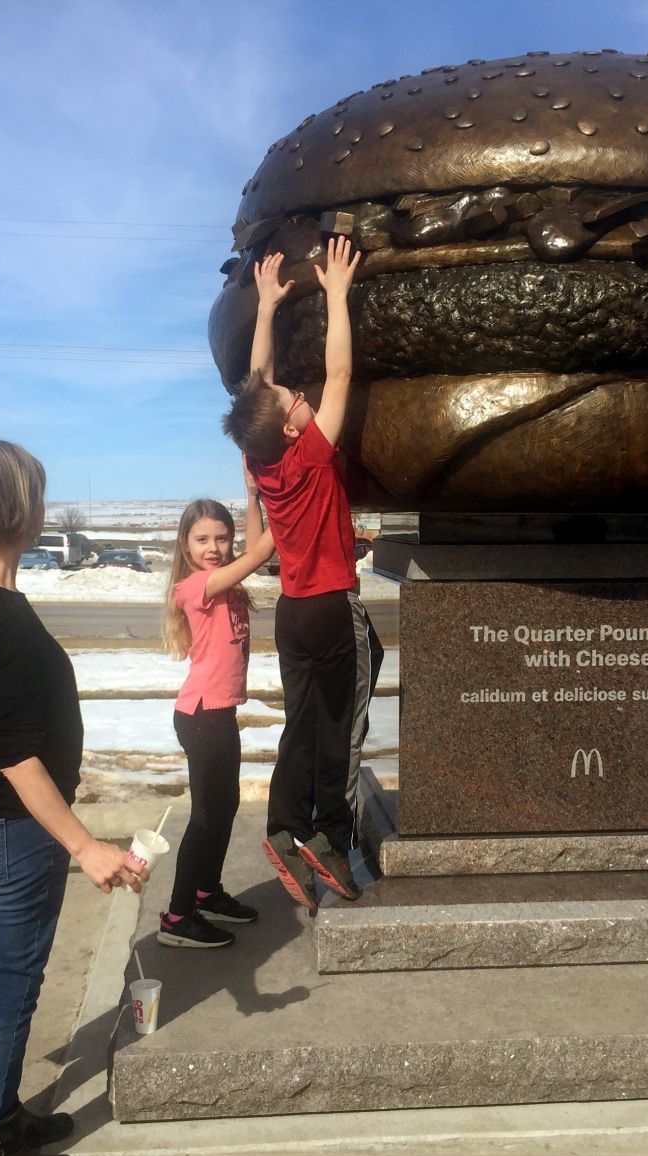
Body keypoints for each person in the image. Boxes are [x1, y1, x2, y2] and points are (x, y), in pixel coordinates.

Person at [0, 434, 145, 1156]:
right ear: (24, 513)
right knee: (11, 987)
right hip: (11, 828)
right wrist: (85, 846)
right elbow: (21, 759)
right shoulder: (6, 624)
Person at [221, 237, 383, 907]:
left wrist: (265, 309)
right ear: (292, 429)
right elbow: (339, 376)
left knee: (303, 720)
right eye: (295, 398)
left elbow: (256, 386)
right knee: (342, 725)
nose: (300, 394)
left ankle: (286, 827)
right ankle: (332, 840)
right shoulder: (312, 453)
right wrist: (339, 294)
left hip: (292, 612)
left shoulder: (263, 463)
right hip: (329, 605)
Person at [157, 487, 276, 948]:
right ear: (185, 544)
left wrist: (251, 504)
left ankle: (206, 892)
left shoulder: (227, 583)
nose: (213, 548)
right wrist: (254, 490)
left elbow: (254, 547)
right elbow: (262, 549)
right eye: (202, 539)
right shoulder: (195, 587)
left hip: (219, 714)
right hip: (201, 715)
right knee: (206, 816)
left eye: (222, 539)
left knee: (223, 808)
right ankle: (177, 916)